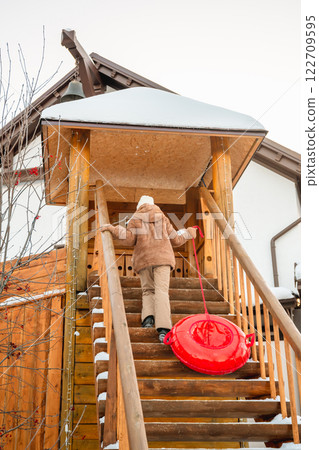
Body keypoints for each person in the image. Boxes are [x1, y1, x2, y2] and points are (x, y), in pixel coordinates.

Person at [101, 195, 197, 342]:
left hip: (143, 260)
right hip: (163, 259)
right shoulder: (163, 218)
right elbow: (176, 240)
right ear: (153, 204)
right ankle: (164, 329)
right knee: (161, 291)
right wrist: (188, 233)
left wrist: (113, 229)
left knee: (148, 291)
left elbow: (129, 239)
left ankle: (148, 320)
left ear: (139, 205)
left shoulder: (135, 218)